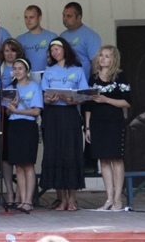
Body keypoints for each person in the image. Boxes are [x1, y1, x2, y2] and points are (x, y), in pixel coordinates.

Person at [40, 38, 87, 211]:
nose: (55, 53)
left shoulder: (78, 70)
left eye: (57, 49)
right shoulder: (48, 71)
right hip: (52, 116)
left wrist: (72, 100)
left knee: (71, 155)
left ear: (65, 49)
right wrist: (49, 99)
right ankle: (62, 199)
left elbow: (84, 96)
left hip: (70, 115)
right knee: (55, 154)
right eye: (52, 50)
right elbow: (44, 96)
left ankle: (72, 199)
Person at [85, 45, 131, 211]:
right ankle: (109, 198)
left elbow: (127, 102)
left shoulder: (120, 77)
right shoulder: (93, 78)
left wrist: (106, 100)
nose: (102, 58)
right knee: (103, 160)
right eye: (101, 55)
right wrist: (87, 127)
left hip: (114, 122)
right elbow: (88, 105)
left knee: (116, 158)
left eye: (107, 56)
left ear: (114, 59)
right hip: (97, 122)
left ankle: (118, 199)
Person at [60, 2, 102, 173]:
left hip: (85, 87)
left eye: (69, 16)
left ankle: (90, 163)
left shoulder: (90, 36)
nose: (65, 19)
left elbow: (96, 63)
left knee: (88, 125)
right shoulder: (62, 37)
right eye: (63, 15)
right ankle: (72, 160)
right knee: (72, 125)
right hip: (67, 89)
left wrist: (91, 87)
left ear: (79, 16)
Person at [5, 58, 43, 213]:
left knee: (28, 164)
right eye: (15, 68)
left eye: (20, 68)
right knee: (18, 165)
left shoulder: (34, 87)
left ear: (27, 70)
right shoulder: (10, 88)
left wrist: (17, 110)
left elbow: (36, 111)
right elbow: (8, 113)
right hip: (14, 126)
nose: (17, 71)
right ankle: (21, 200)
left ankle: (28, 200)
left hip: (28, 127)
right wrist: (11, 108)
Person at [0, 38, 25, 207]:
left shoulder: (21, 68)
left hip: (21, 113)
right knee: (6, 154)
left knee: (20, 154)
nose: (9, 53)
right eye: (6, 50)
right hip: (3, 113)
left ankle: (22, 193)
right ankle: (9, 191)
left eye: (13, 50)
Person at [16, 5, 57, 72]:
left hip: (48, 76)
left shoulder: (52, 37)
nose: (28, 21)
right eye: (26, 17)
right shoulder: (19, 40)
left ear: (39, 18)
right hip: (27, 77)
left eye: (31, 17)